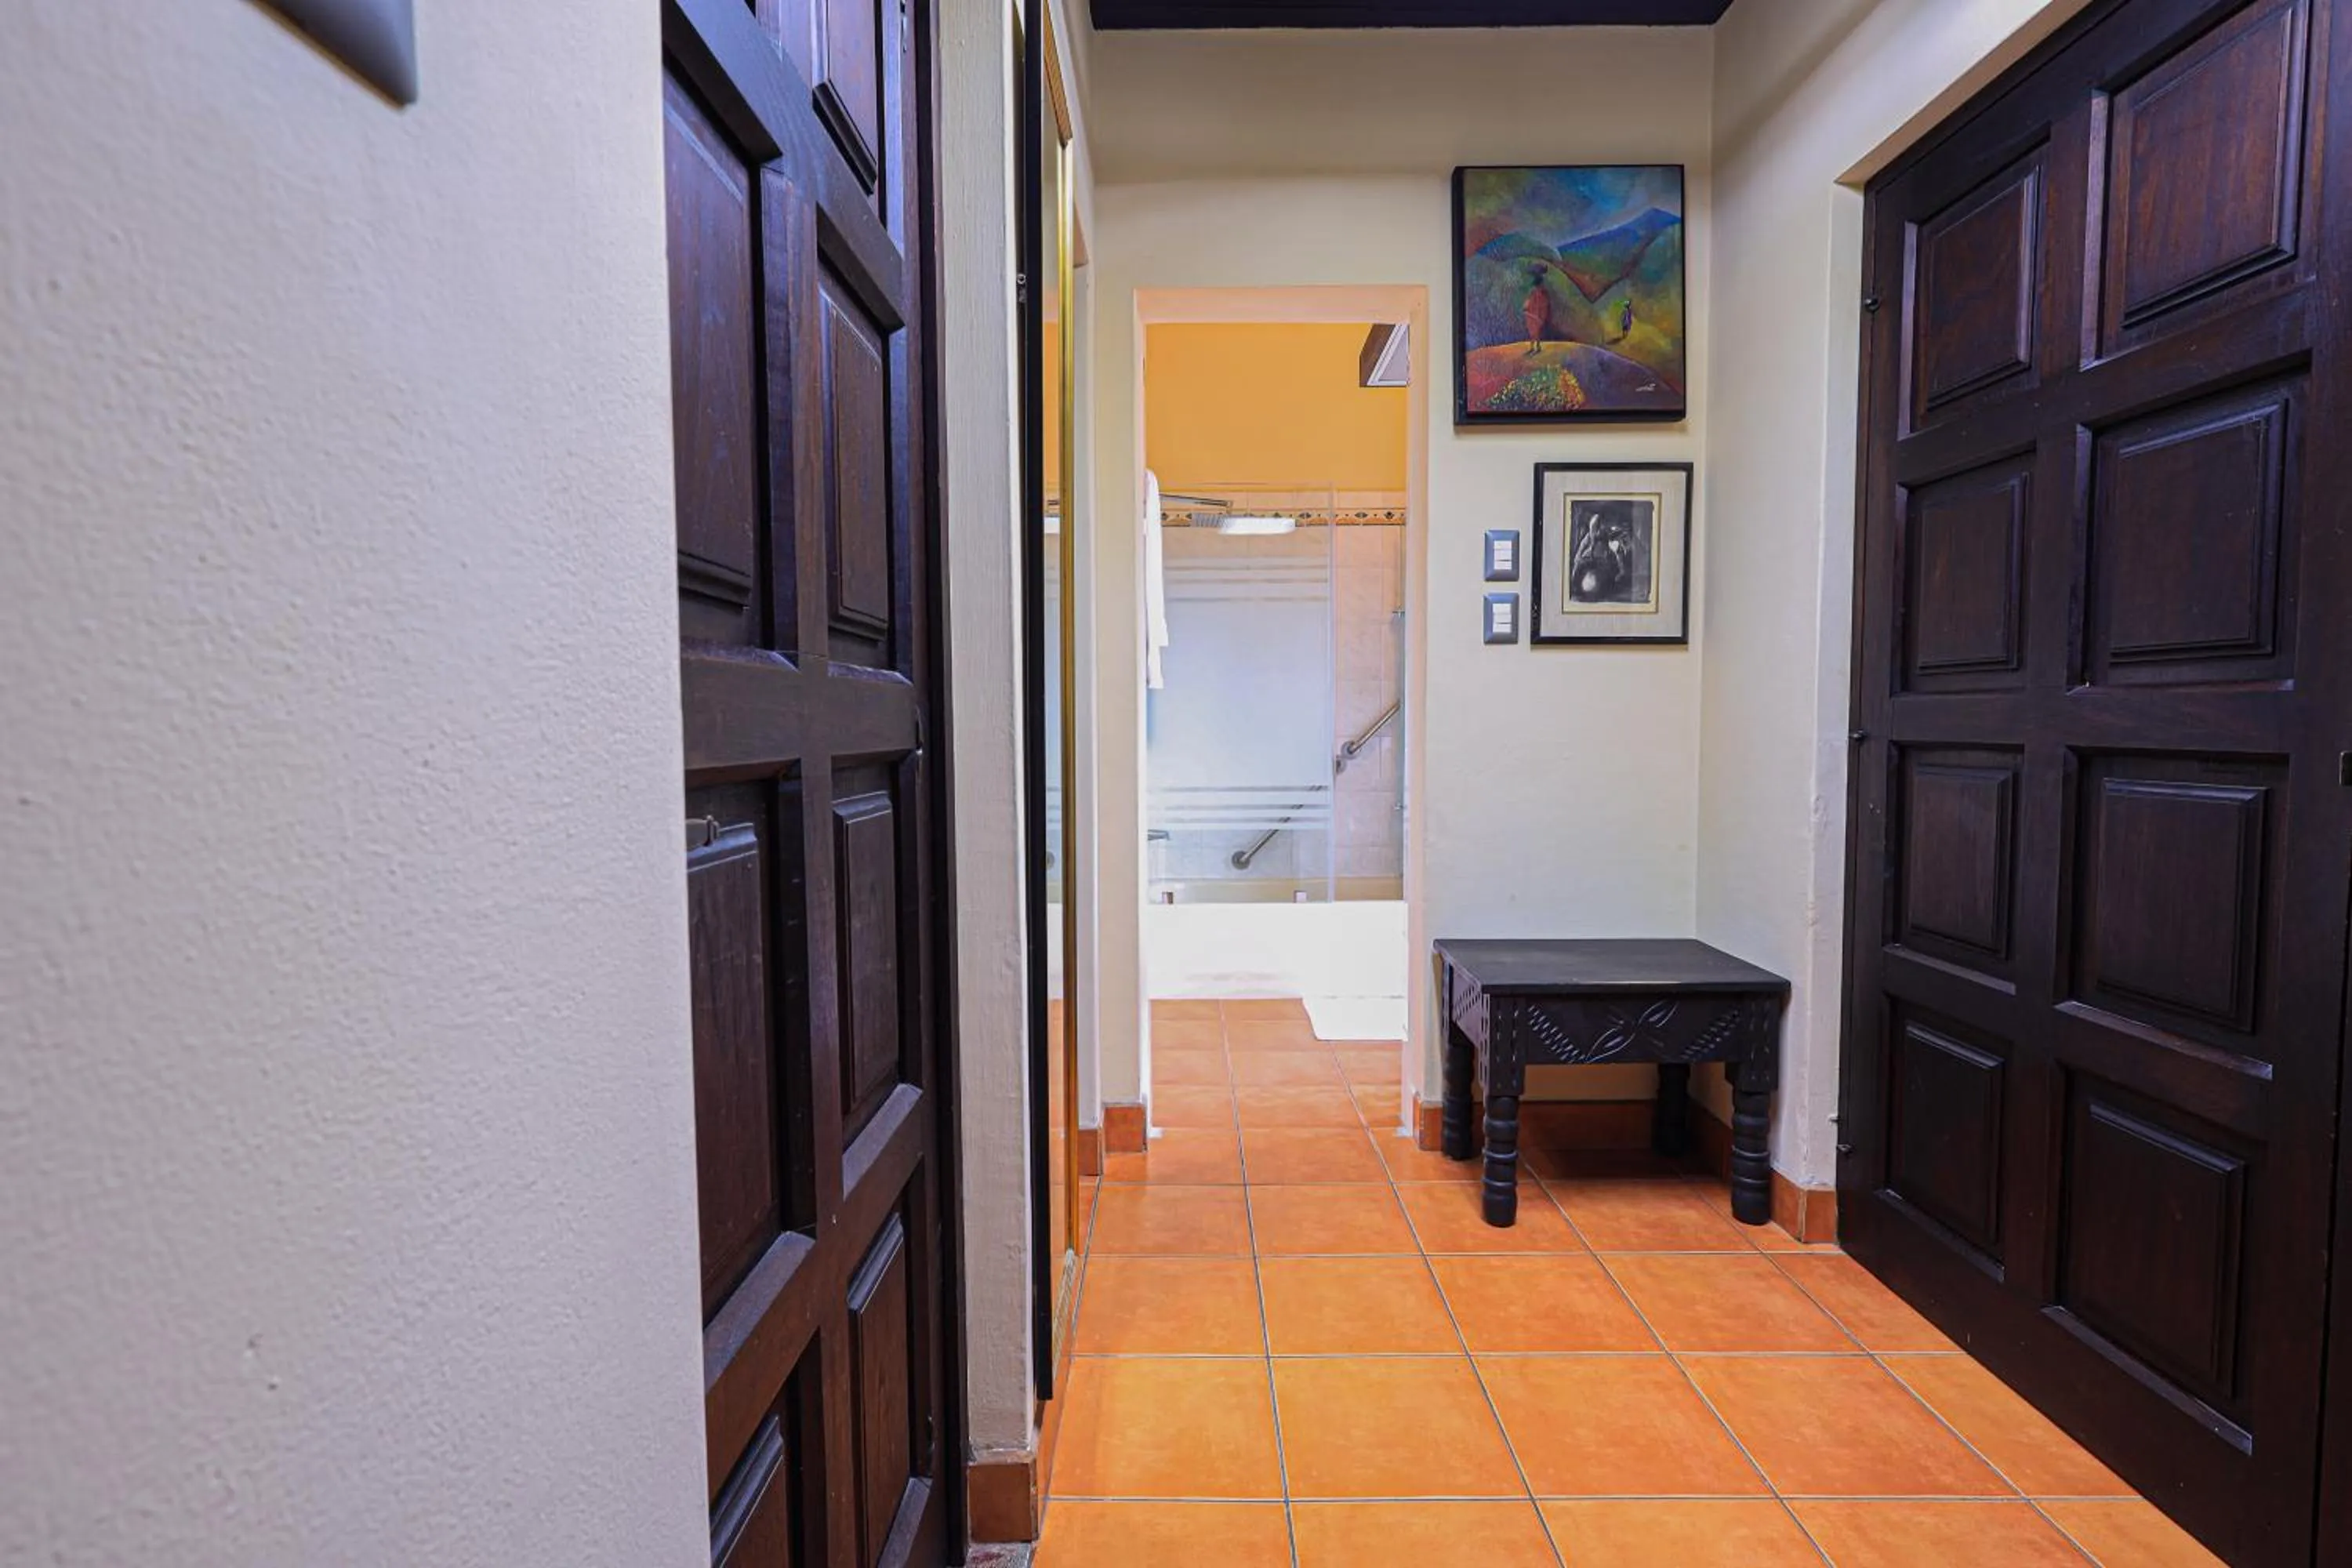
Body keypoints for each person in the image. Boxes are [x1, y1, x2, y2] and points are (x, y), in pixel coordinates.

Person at [1522, 278, 1550, 357]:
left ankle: (1536, 347)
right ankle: (1534, 347)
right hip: (1533, 315)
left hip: (1536, 316)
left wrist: (1540, 316)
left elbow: (1543, 305)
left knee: (1535, 332)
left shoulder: (1541, 294)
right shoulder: (1534, 293)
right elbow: (1529, 302)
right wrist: (1527, 308)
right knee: (1533, 332)